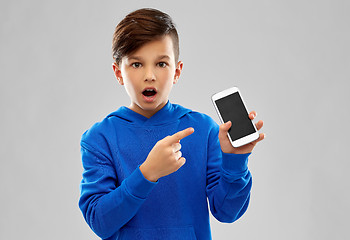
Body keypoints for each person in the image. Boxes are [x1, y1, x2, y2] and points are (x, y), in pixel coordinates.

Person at [79, 8, 264, 240]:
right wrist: (147, 173)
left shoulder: (203, 129)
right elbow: (100, 221)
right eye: (136, 64)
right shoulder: (100, 138)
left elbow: (227, 211)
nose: (150, 75)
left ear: (177, 71)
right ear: (118, 73)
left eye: (161, 64)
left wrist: (235, 161)